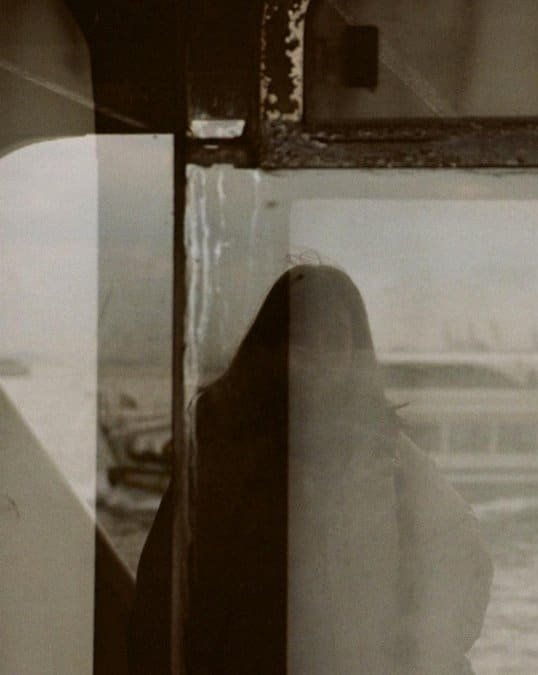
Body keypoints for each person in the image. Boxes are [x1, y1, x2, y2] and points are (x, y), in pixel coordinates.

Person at [129, 265, 492, 674]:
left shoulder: (392, 460)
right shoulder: (219, 462)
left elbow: (464, 567)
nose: (318, 359)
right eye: (302, 341)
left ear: (355, 353)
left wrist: (411, 653)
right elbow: (160, 608)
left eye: (334, 342)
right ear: (272, 349)